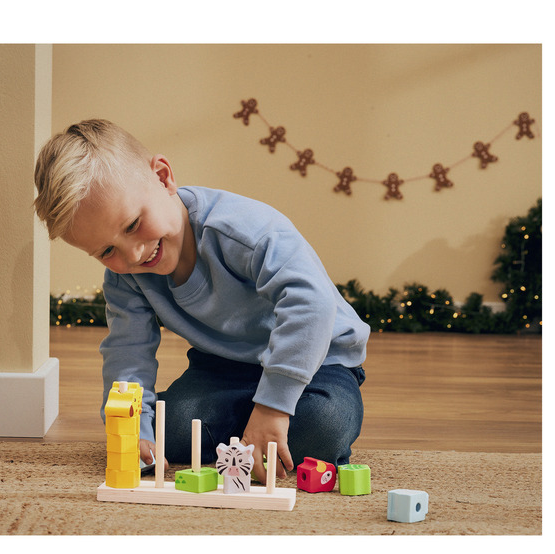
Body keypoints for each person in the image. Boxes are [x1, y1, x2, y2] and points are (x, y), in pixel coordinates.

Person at [34, 119, 369, 484]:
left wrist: (273, 406)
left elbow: (312, 304)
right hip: (223, 368)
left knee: (325, 422)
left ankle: (265, 417)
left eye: (132, 225)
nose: (134, 254)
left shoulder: (243, 230)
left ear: (163, 178)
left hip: (319, 361)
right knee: (172, 429)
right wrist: (135, 430)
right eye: (107, 251)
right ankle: (250, 428)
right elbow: (127, 353)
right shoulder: (126, 278)